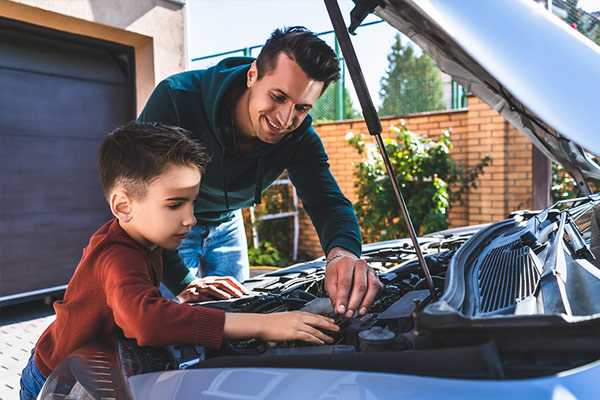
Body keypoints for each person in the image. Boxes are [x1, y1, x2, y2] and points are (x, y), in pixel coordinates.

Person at [19, 123, 339, 400]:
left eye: (192, 201)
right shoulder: (116, 255)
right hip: (54, 379)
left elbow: (127, 302)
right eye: (175, 204)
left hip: (93, 364)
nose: (190, 218)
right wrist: (265, 325)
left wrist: (181, 298)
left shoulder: (143, 237)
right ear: (123, 205)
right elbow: (146, 321)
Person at [138, 26, 382, 319]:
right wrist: (185, 282)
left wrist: (343, 254)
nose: (285, 119)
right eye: (278, 97)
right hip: (169, 230)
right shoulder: (176, 100)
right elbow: (143, 200)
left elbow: (327, 201)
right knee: (172, 327)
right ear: (252, 75)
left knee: (242, 322)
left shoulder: (300, 137)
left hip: (228, 224)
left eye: (302, 107)